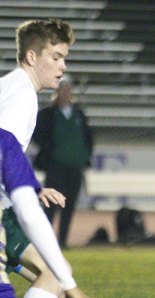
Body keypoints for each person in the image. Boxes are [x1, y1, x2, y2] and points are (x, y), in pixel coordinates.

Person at [0, 22, 105, 298]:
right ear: (31, 57)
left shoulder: (12, 90)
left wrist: (27, 183)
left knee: (49, 277)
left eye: (65, 57)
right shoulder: (21, 99)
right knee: (55, 279)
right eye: (56, 57)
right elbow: (22, 202)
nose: (63, 67)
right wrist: (72, 282)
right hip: (9, 214)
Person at [32, 74, 94, 249]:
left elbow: (88, 137)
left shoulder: (78, 113)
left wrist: (85, 157)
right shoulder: (48, 114)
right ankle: (43, 242)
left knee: (69, 206)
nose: (66, 92)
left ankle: (63, 242)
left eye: (68, 89)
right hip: (55, 167)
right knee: (50, 206)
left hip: (75, 168)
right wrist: (49, 153)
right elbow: (39, 136)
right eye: (63, 89)